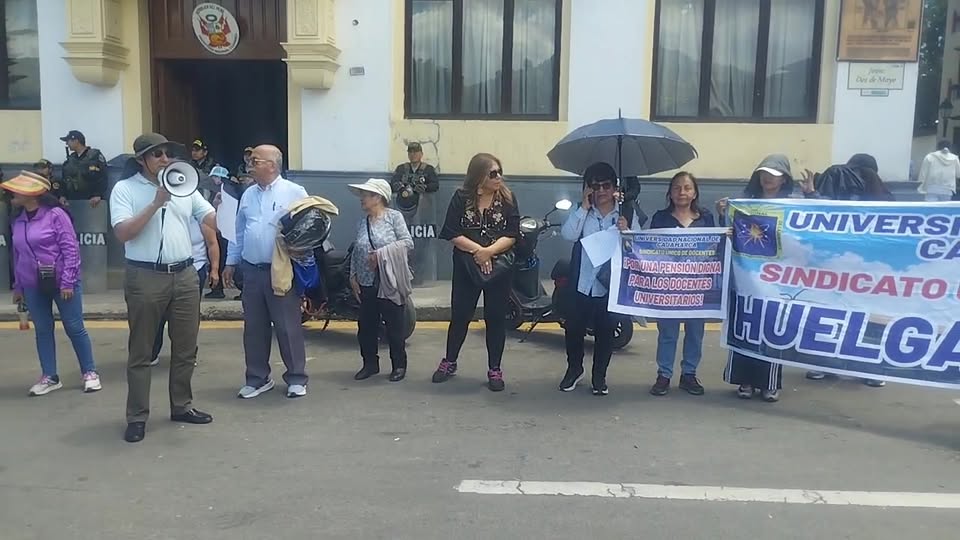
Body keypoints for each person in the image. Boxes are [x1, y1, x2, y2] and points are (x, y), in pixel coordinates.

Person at [109, 132, 217, 443]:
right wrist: (155, 204)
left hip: (183, 274)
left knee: (185, 347)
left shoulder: (181, 182)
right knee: (141, 351)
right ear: (142, 160)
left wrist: (214, 208)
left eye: (166, 153)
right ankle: (137, 416)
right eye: (157, 155)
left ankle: (182, 405)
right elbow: (123, 233)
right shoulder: (125, 189)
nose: (164, 159)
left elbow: (207, 216)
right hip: (144, 276)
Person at [718, 154, 815, 403]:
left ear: (784, 178)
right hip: (747, 276)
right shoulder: (745, 202)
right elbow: (731, 232)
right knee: (746, 326)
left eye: (773, 173)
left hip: (777, 279)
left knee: (772, 329)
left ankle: (769, 384)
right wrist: (724, 214)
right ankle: (745, 381)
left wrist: (811, 195)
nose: (767, 177)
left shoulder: (794, 203)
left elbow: (817, 227)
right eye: (763, 172)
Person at [223, 145, 310, 400]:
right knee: (254, 328)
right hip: (252, 270)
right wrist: (231, 262)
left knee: (287, 326)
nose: (250, 163)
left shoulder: (294, 192)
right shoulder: (248, 194)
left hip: (281, 270)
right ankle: (257, 378)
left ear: (272, 165)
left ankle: (296, 378)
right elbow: (239, 231)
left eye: (256, 160)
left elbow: (310, 228)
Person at [3, 171, 100, 396]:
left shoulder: (56, 214)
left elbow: (71, 249)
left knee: (74, 327)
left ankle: (90, 372)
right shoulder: (17, 219)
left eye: (15, 191)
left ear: (31, 194)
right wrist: (19, 286)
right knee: (43, 330)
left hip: (61, 281)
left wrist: (67, 280)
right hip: (32, 283)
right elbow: (17, 254)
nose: (11, 195)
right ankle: (50, 376)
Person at [432, 153, 519, 392]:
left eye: (500, 172)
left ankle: (495, 368)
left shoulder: (508, 199)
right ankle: (449, 361)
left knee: (496, 319)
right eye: (493, 173)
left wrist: (489, 252)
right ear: (479, 176)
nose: (498, 177)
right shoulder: (461, 198)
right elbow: (451, 231)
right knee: (460, 315)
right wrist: (479, 251)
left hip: (499, 268)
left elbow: (512, 234)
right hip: (466, 267)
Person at [800, 154, 889, 388]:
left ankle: (826, 364)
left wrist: (812, 195)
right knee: (866, 318)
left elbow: (824, 214)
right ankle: (869, 369)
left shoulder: (869, 194)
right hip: (864, 272)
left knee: (833, 314)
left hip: (843, 267)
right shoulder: (885, 196)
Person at [557, 162, 630, 396]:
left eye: (606, 185)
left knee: (605, 332)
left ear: (614, 187)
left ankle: (600, 376)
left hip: (608, 284)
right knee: (574, 329)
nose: (601, 191)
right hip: (583, 281)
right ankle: (574, 369)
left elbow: (637, 245)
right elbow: (568, 235)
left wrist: (627, 229)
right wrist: (584, 207)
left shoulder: (625, 213)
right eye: (595, 186)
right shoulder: (582, 211)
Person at [648, 172, 714, 396]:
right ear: (670, 192)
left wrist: (725, 222)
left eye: (687, 188)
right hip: (669, 285)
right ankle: (664, 374)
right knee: (668, 332)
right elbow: (648, 248)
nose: (682, 192)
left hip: (698, 287)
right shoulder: (660, 218)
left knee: (695, 332)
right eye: (677, 188)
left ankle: (689, 374)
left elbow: (717, 247)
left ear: (695, 192)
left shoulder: (706, 218)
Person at [347, 178, 414, 382]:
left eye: (365, 195)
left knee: (394, 327)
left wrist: (381, 254)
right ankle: (369, 364)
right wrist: (353, 276)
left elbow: (407, 242)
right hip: (366, 283)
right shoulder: (362, 222)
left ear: (377, 197)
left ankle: (399, 365)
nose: (361, 199)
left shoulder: (394, 217)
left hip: (389, 282)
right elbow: (357, 250)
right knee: (366, 327)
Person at [150, 216, 220, 366]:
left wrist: (214, 269)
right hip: (164, 271)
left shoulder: (199, 214)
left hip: (195, 269)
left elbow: (212, 243)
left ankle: (187, 353)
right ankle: (152, 351)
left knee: (187, 316)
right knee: (158, 313)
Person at [391, 142, 440, 220]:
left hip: (422, 207)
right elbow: (393, 182)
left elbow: (435, 185)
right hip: (401, 205)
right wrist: (398, 186)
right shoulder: (401, 169)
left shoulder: (428, 169)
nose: (413, 154)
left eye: (416, 152)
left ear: (421, 154)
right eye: (410, 152)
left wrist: (425, 187)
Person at [60, 130, 107, 208]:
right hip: (72, 202)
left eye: (68, 141)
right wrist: (62, 195)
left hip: (92, 202)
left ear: (76, 141)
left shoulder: (94, 156)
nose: (67, 144)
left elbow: (103, 176)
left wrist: (98, 194)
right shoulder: (70, 159)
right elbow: (65, 180)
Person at [204, 166, 230, 299]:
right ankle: (216, 288)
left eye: (216, 177)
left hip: (222, 233)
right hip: (216, 231)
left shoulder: (225, 193)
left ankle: (218, 289)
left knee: (220, 262)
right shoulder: (213, 192)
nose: (214, 179)